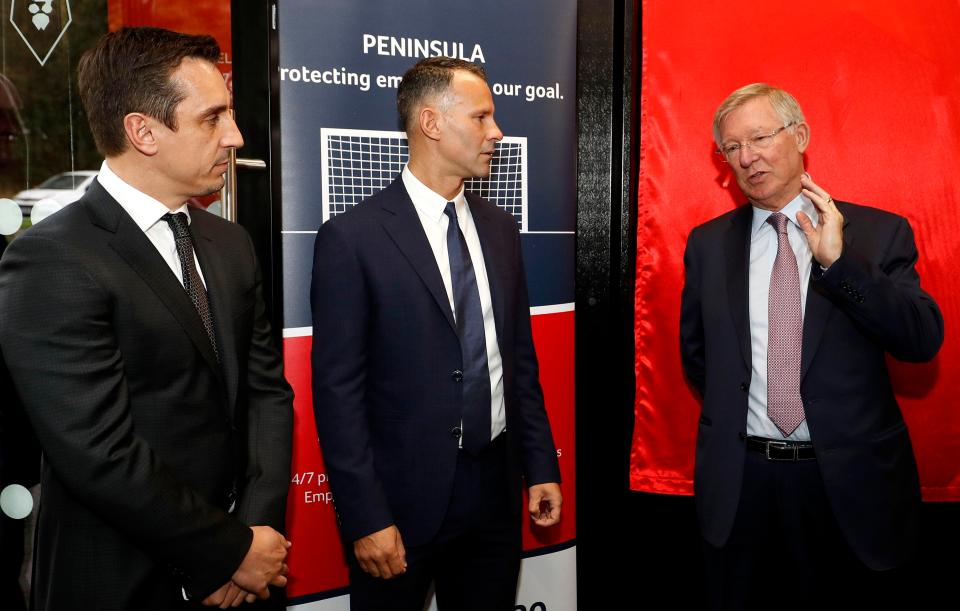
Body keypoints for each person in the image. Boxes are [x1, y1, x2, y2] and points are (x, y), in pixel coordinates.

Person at [0, 27, 294, 610]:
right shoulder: (53, 256)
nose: (235, 136)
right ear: (143, 131)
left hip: (247, 567)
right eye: (213, 119)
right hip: (121, 576)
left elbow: (266, 394)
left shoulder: (230, 244)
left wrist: (255, 537)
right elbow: (98, 452)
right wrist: (225, 549)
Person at [311, 57, 562, 611]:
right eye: (481, 118)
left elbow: (517, 359)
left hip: (495, 491)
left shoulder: (500, 229)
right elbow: (338, 394)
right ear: (431, 123)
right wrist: (366, 516)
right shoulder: (352, 239)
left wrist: (540, 465)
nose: (496, 132)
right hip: (401, 504)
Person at [680, 83, 944, 609]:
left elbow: (920, 339)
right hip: (742, 485)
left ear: (799, 135)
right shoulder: (707, 244)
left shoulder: (875, 233)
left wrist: (839, 266)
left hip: (846, 484)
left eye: (759, 137)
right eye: (731, 148)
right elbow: (699, 357)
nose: (747, 157)